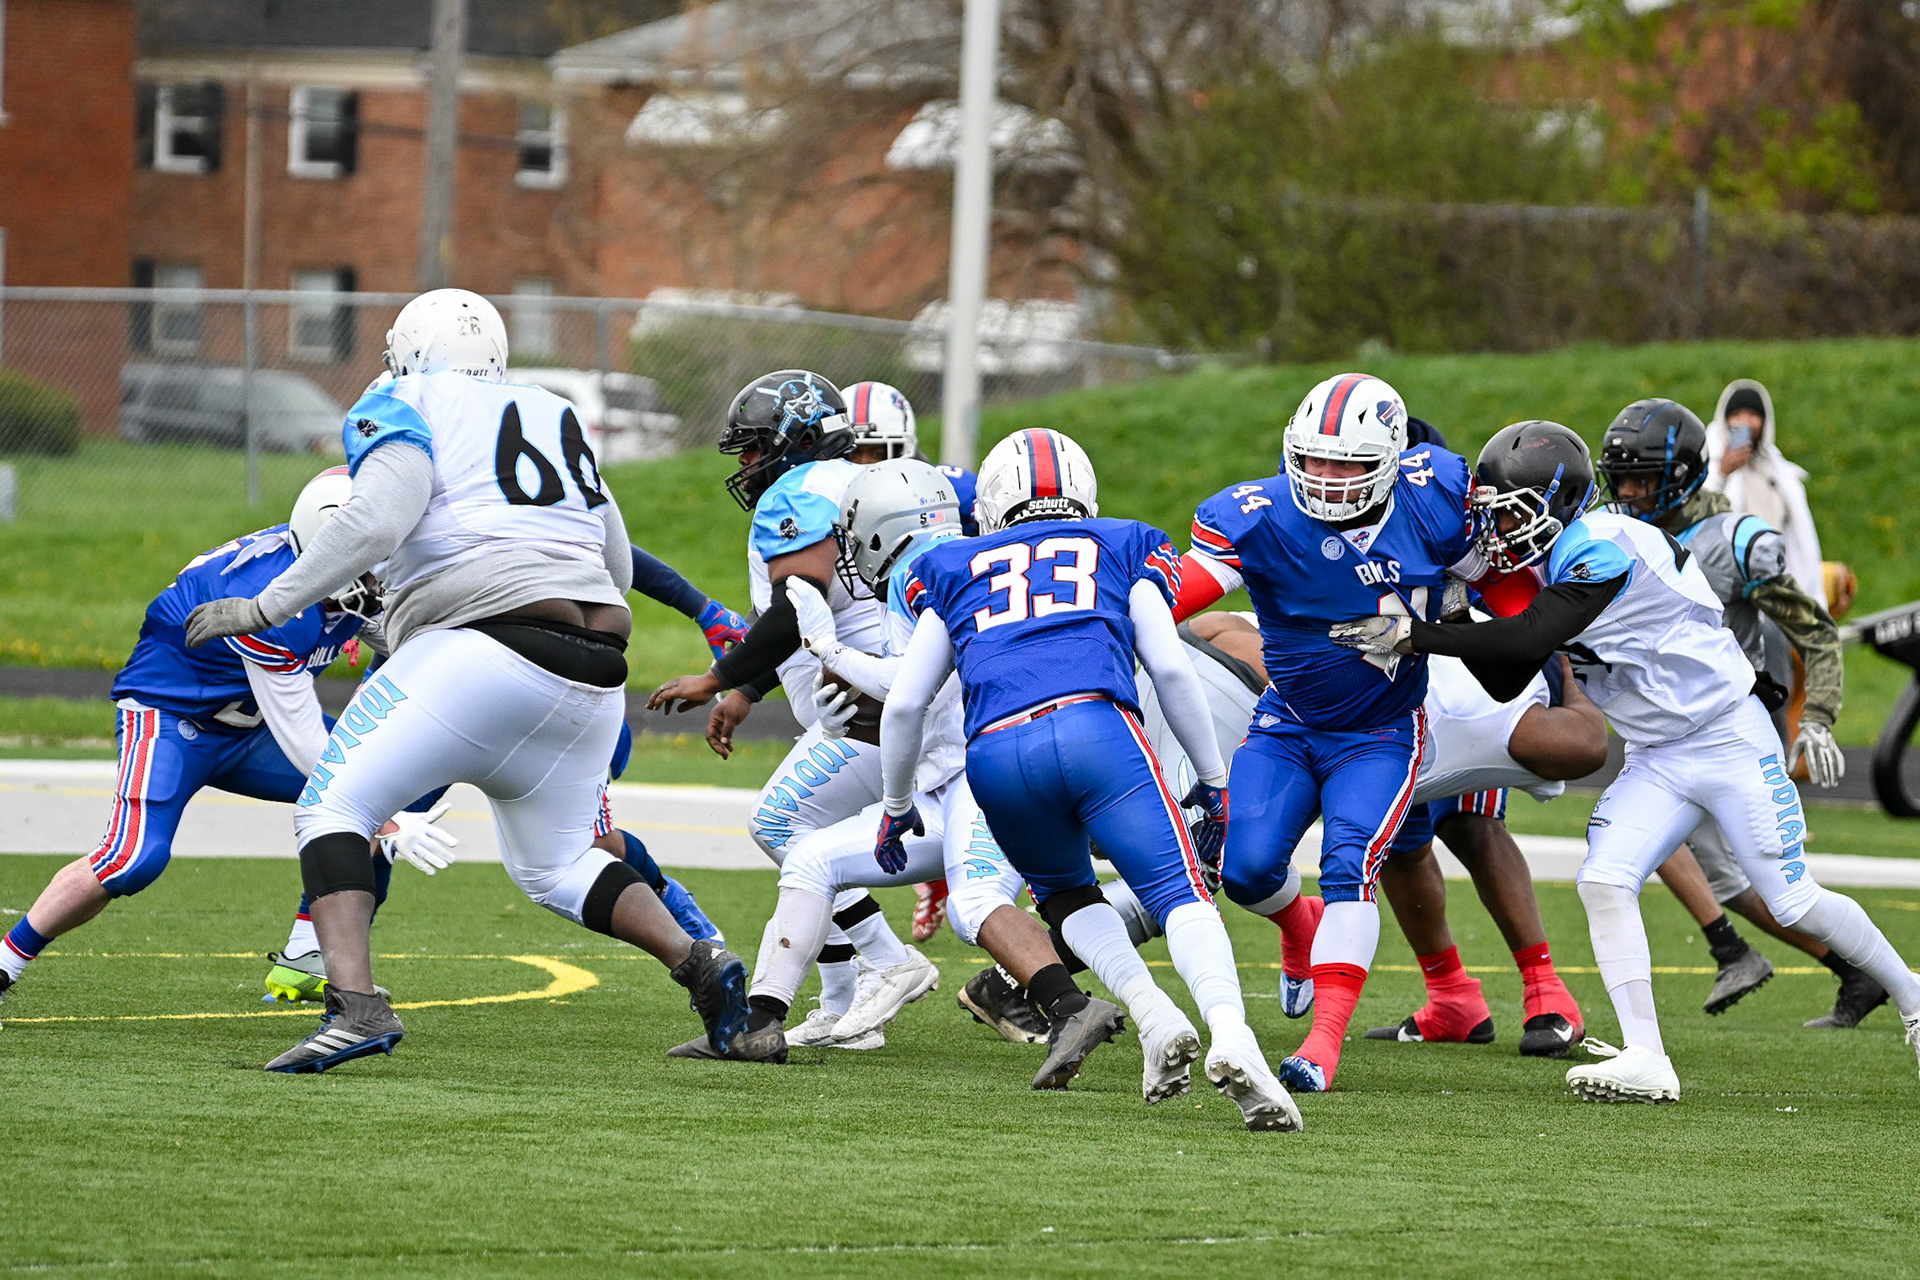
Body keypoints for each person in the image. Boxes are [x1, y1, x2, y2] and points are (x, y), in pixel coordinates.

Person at [184, 288, 751, 1073]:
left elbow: (376, 519)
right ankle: (699, 964)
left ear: (409, 350)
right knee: (557, 865)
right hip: (595, 669)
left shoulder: (402, 398)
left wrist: (266, 605)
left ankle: (355, 1009)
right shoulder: (554, 412)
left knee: (332, 805)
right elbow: (615, 563)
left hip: (481, 648)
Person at [1334, 419, 1920, 1102]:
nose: (1498, 529)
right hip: (1658, 754)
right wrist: (1457, 609)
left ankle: (1914, 998)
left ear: (1556, 504)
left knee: (1792, 899)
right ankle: (1647, 1056)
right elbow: (1507, 675)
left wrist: (1417, 635)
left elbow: (1529, 637)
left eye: (1510, 513)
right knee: (1605, 880)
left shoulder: (1604, 544)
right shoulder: (1548, 562)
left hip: (1729, 738)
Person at [879, 428, 1302, 1131]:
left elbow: (903, 705)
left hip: (995, 754)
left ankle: (1153, 1015)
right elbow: (1169, 668)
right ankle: (1233, 1034)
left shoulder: (950, 565)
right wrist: (1212, 777)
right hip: (1093, 727)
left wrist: (896, 804)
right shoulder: (1122, 542)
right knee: (1179, 892)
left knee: (1067, 896)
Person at [0, 470, 458, 1011]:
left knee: (412, 772)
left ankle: (307, 955)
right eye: (375, 556)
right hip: (174, 720)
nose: (386, 570)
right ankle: (4, 964)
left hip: (253, 723)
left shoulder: (324, 566)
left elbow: (411, 639)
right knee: (132, 860)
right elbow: (307, 746)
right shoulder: (273, 602)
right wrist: (384, 819)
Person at [1169, 372, 1489, 1094]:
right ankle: (1297, 925)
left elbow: (1507, 592)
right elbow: (1179, 595)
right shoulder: (1256, 515)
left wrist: (1456, 616)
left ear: (1389, 459)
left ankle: (1322, 1045)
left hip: (1380, 731)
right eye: (1313, 459)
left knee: (1350, 865)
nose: (1326, 476)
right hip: (1287, 724)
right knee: (1245, 871)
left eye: (1347, 464)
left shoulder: (1435, 497)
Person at [260, 539, 742, 1003]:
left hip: (527, 663)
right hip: (440, 666)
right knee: (372, 812)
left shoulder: (458, 500)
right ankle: (312, 951)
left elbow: (608, 549)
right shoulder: (377, 517)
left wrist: (700, 608)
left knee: (587, 844)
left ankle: (676, 914)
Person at [1128, 611, 1595, 1057]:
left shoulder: (1505, 721)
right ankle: (1453, 996)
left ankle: (1544, 986)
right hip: (1359, 697)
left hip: (1415, 725)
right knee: (1397, 846)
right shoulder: (1260, 653)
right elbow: (1215, 626)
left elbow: (1587, 747)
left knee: (1469, 826)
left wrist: (1575, 682)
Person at [648, 371, 933, 1048]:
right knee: (804, 838)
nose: (747, 463)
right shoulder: (870, 483)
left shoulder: (800, 490)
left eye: (754, 446)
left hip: (868, 706)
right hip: (909, 696)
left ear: (797, 439)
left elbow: (795, 605)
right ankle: (841, 1004)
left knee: (782, 825)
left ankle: (888, 961)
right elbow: (815, 614)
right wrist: (748, 691)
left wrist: (717, 677)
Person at [1598, 398, 1884, 1028]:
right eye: (1620, 479)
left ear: (1681, 475)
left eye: (1642, 479)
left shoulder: (1729, 542)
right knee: (1695, 872)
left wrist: (1819, 715)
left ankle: (1869, 975)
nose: (1629, 493)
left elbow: (1815, 630)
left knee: (1776, 889)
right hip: (1663, 732)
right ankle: (1827, 969)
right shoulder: (1615, 532)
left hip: (1727, 733)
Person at [1705, 380, 1834, 612]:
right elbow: (1698, 515)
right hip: (1730, 588)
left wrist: (1811, 596)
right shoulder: (1707, 462)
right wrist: (1723, 473)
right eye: (1736, 414)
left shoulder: (1779, 470)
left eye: (1752, 415)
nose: (1744, 421)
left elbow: (1803, 539)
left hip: (1774, 583)